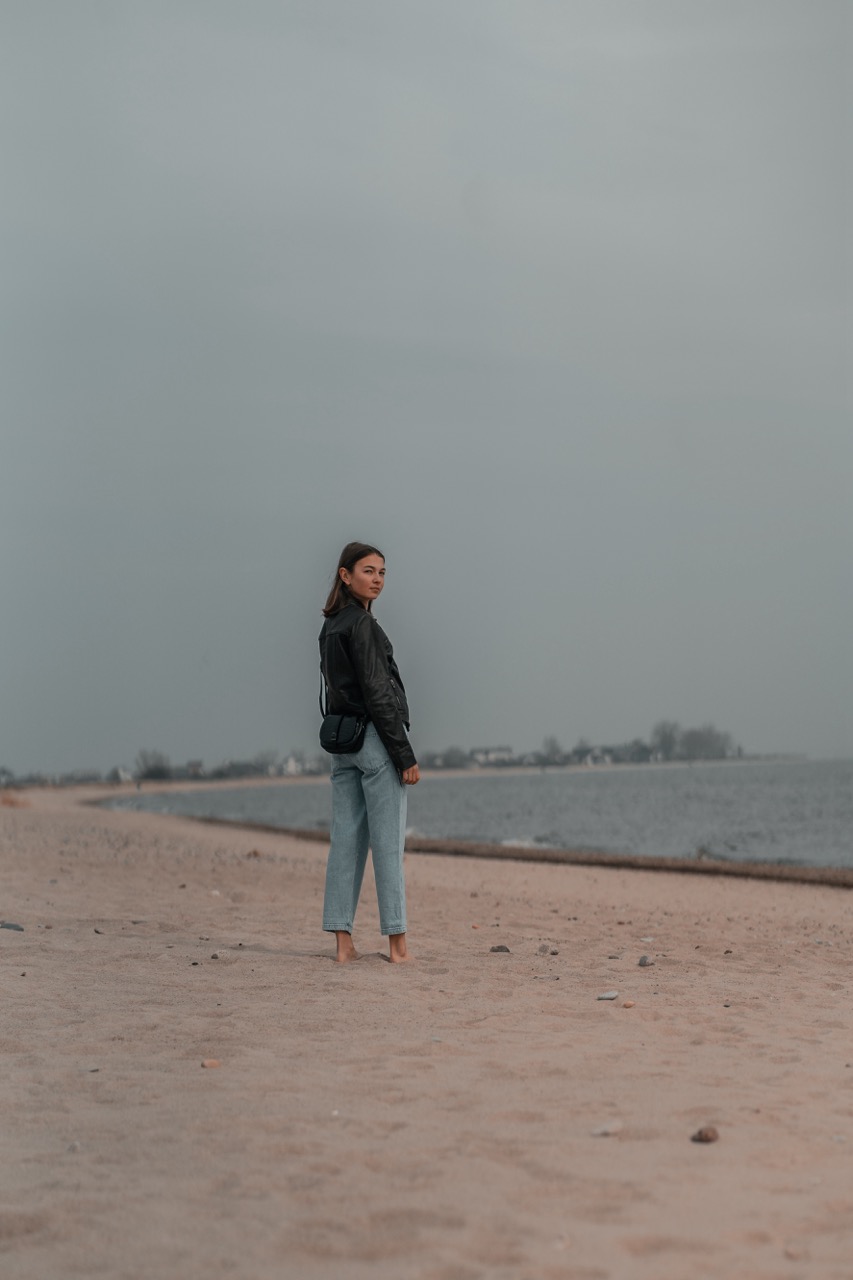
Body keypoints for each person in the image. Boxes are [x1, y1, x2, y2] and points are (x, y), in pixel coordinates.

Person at [319, 542, 420, 963]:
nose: (377, 579)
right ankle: (397, 945)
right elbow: (378, 693)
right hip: (375, 741)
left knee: (345, 840)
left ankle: (343, 944)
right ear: (345, 576)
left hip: (343, 744)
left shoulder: (330, 626)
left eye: (382, 572)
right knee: (388, 843)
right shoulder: (361, 624)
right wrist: (404, 754)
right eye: (368, 571)